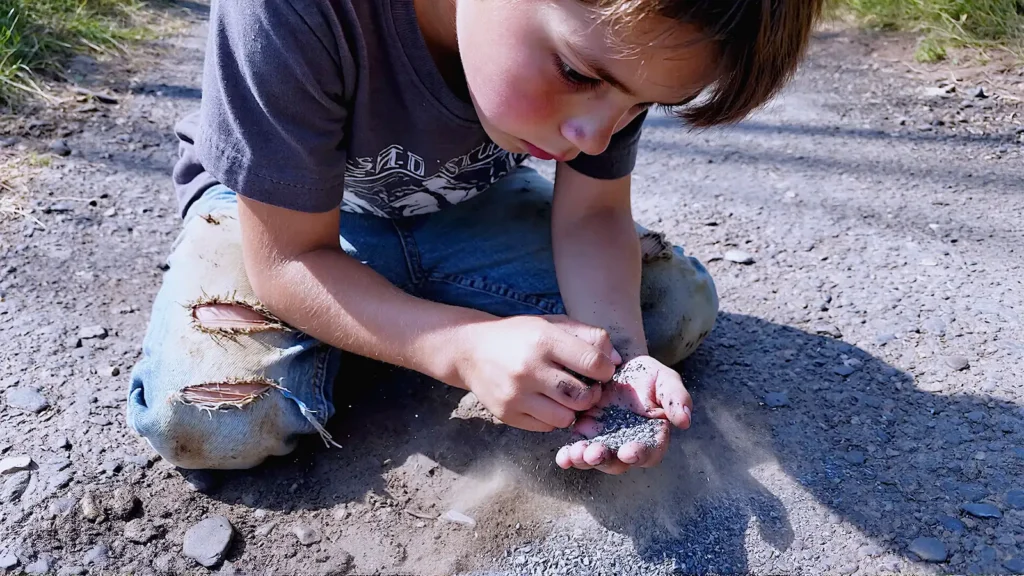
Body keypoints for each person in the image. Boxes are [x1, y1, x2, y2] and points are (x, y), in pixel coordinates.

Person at [127, 0, 822, 474]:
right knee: (208, 420)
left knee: (668, 309)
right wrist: (458, 348)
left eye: (639, 105)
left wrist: (621, 366)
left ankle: (376, 325)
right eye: (579, 75)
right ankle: (388, 327)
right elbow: (288, 259)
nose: (594, 134)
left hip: (462, 202)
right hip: (281, 219)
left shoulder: (611, 45)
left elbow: (591, 214)